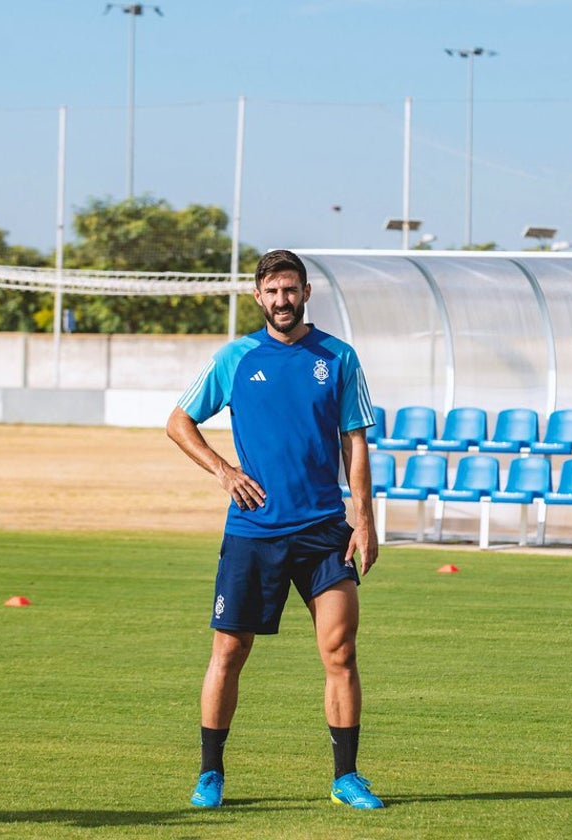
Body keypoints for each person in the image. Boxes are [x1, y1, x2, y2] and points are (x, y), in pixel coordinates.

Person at [166, 248, 383, 810]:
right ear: (257, 297)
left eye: (291, 290)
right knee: (229, 653)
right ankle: (210, 773)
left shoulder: (338, 357)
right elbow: (179, 421)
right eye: (272, 291)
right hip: (253, 531)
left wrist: (365, 520)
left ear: (306, 293)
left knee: (340, 652)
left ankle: (346, 778)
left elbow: (355, 442)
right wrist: (224, 470)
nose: (282, 300)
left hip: (322, 531)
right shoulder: (236, 357)